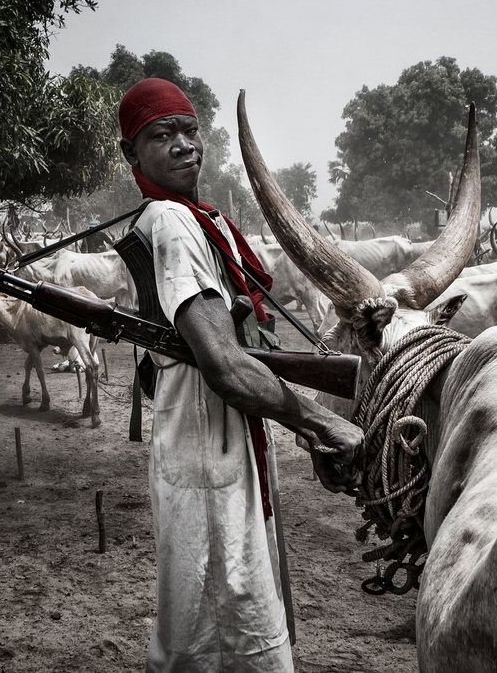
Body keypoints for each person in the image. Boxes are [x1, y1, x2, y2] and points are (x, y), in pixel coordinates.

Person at [117, 78, 363, 672]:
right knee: (222, 603)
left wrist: (303, 427)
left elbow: (243, 349)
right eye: (161, 135)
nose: (183, 145)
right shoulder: (175, 223)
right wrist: (324, 422)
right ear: (132, 154)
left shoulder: (199, 221)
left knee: (222, 597)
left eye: (189, 130)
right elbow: (226, 367)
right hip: (206, 438)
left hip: (217, 433)